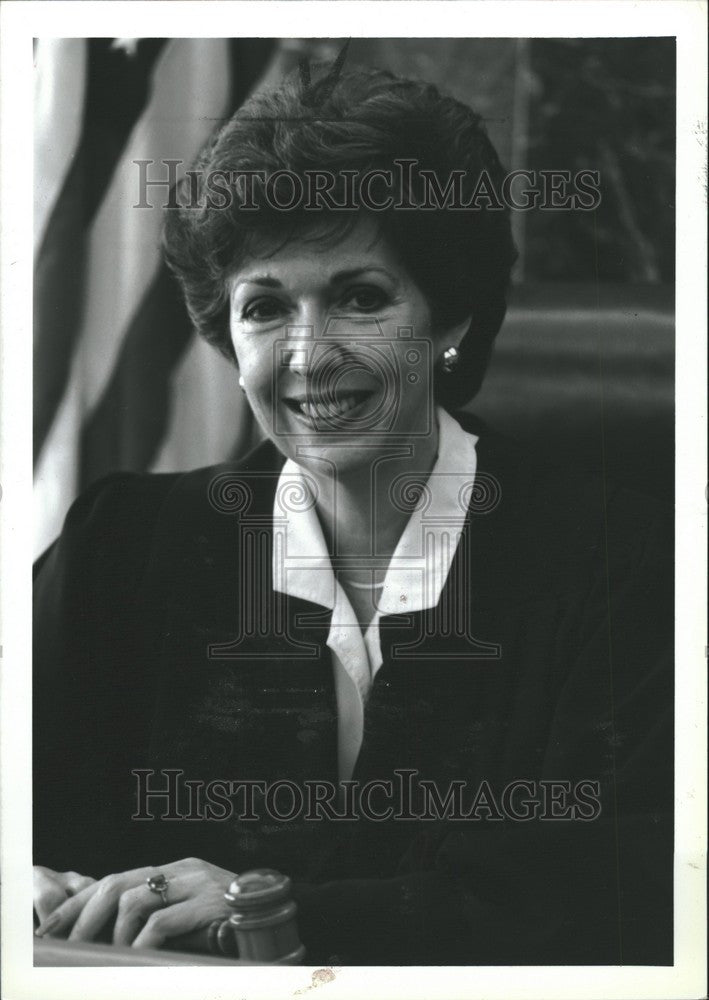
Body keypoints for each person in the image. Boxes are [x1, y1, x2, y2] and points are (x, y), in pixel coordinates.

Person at [33, 65, 673, 965]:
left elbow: (627, 895)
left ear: (448, 315)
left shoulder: (627, 564)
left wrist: (273, 916)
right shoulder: (124, 549)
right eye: (265, 307)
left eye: (359, 297)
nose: (308, 354)